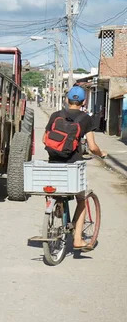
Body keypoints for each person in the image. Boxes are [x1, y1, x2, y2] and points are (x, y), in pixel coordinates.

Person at [43, 85, 107, 252]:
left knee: (54, 189)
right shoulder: (86, 119)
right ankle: (78, 239)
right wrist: (102, 154)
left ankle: (58, 206)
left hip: (54, 163)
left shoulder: (56, 115)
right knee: (81, 201)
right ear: (83, 102)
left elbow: (45, 138)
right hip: (73, 165)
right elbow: (92, 147)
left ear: (66, 99)